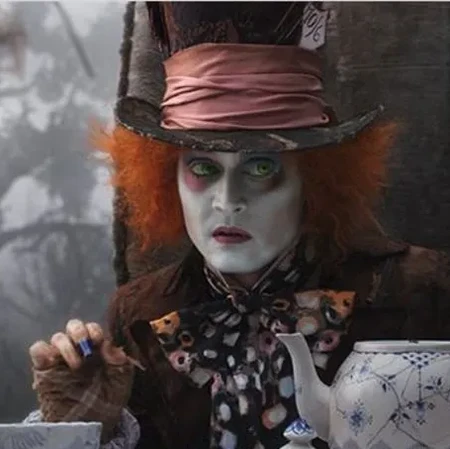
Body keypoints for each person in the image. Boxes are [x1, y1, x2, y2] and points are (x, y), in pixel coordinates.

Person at [26, 3, 450, 449]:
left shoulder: (420, 290)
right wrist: (91, 426)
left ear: (314, 180)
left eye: (261, 167)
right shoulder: (139, 315)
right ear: (168, 179)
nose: (227, 201)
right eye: (203, 168)